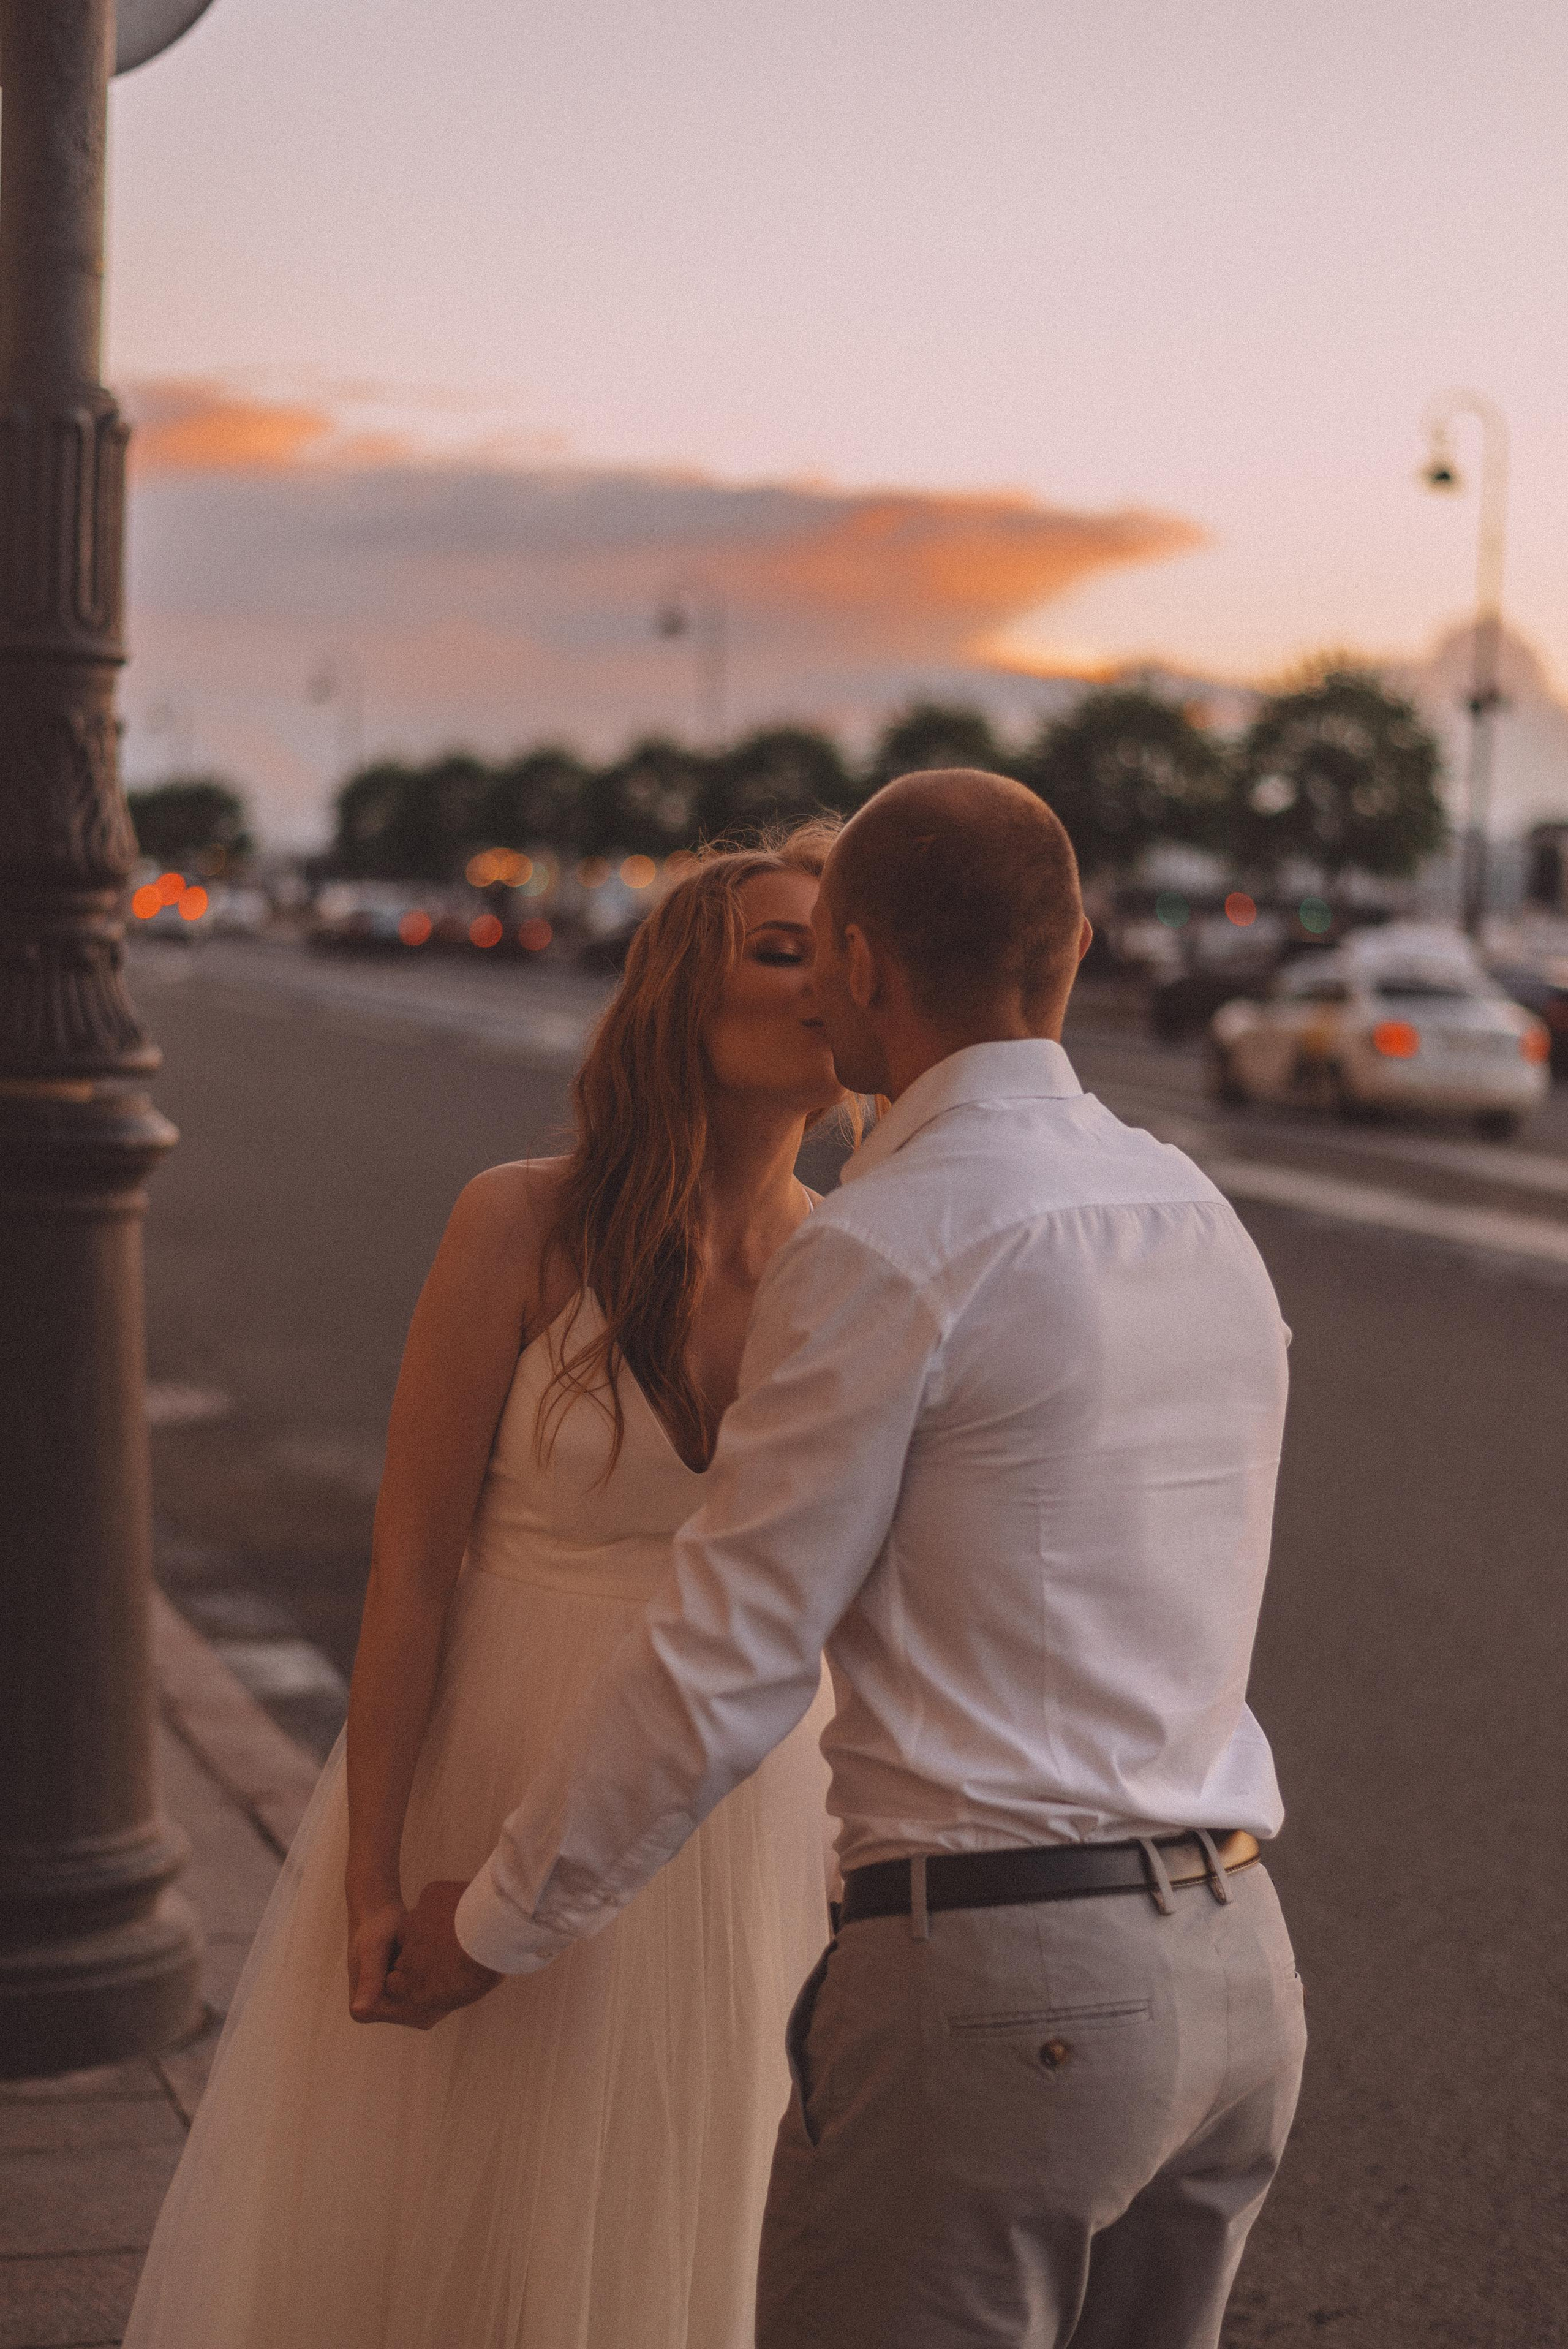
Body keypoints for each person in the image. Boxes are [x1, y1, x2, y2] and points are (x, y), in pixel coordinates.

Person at [386, 769, 1308, 2349]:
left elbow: (726, 1657)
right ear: (1074, 948)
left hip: (1004, 1989)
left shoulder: (887, 1243)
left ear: (859, 967)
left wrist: (490, 1928)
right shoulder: (1192, 1211)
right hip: (1236, 1967)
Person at [123, 831, 847, 2349]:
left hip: (742, 1807)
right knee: (479, 2210)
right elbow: (412, 1564)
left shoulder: (849, 1264)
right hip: (508, 1760)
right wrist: (369, 1872)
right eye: (782, 949)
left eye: (841, 952)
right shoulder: (519, 1223)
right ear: (678, 996)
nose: (827, 982)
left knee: (686, 2195)